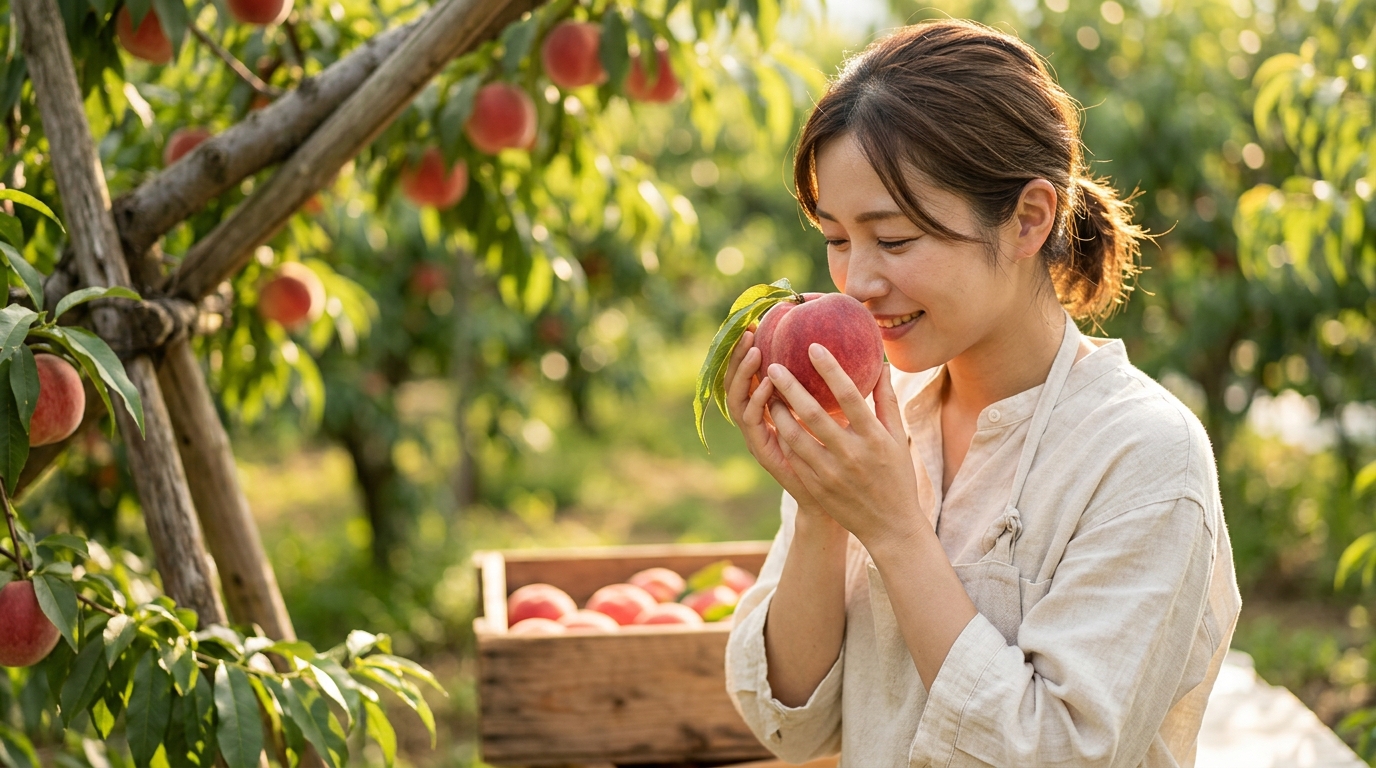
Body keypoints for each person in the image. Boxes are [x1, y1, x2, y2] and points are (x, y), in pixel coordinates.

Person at [722, 18, 1241, 767]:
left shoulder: (1143, 457)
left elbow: (1058, 752)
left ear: (1029, 218)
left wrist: (897, 532)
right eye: (836, 238)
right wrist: (818, 506)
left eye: (894, 239)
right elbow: (793, 727)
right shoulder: (875, 411)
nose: (856, 283)